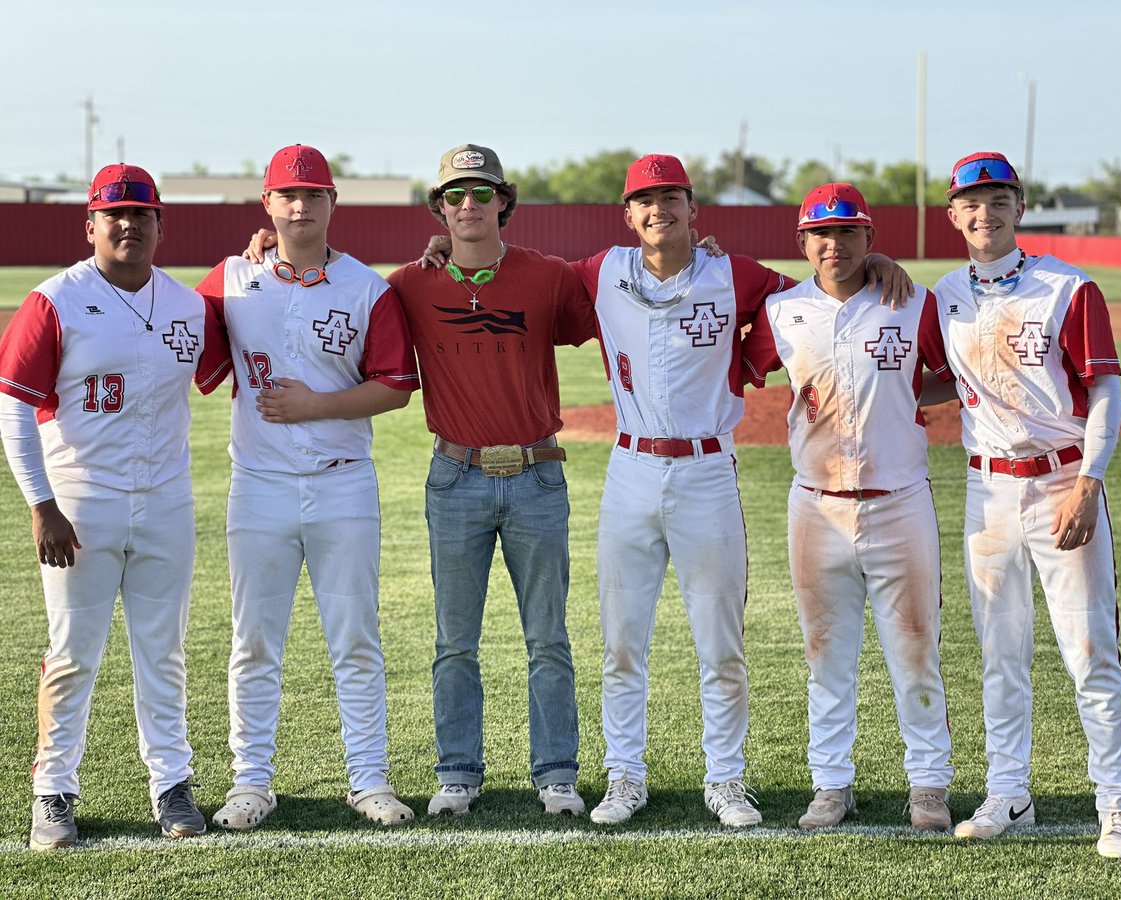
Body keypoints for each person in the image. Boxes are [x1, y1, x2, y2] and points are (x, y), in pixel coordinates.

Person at [569, 156, 913, 828]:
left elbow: (820, 291)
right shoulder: (601, 270)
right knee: (621, 642)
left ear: (694, 209)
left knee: (719, 642)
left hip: (706, 469)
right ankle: (624, 776)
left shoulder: (735, 274)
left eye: (669, 197)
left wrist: (876, 266)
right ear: (628, 213)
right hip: (630, 467)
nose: (656, 209)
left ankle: (725, 779)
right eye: (643, 199)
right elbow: (518, 272)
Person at [0, 164, 230, 848]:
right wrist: (42, 505)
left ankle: (172, 785)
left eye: (141, 213)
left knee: (164, 652)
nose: (128, 223)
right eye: (114, 213)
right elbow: (12, 411)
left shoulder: (189, 305)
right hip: (81, 499)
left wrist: (256, 256)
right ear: (91, 224)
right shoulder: (54, 301)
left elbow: (232, 357)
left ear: (160, 224)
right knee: (73, 653)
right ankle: (53, 793)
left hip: (165, 500)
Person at [922, 152, 1121, 857]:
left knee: (1090, 655)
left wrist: (1090, 481)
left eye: (996, 200)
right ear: (952, 215)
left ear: (1018, 207)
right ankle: (1009, 794)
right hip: (988, 491)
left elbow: (1103, 389)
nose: (982, 213)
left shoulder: (1067, 288)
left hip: (1060, 481)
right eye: (969, 203)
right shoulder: (945, 294)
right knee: (1000, 654)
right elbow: (933, 378)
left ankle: (1118, 805)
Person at [198, 144, 420, 830]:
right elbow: (188, 356)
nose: (299, 207)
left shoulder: (368, 288)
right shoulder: (230, 279)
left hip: (342, 483)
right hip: (258, 484)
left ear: (333, 203)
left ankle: (369, 779)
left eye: (313, 195)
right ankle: (251, 784)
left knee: (355, 639)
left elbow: (395, 388)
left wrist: (316, 406)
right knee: (254, 642)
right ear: (266, 204)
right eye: (286, 196)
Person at [387, 144, 594, 817]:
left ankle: (556, 774)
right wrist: (263, 249)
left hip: (536, 474)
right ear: (438, 207)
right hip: (456, 476)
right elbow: (325, 282)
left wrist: (697, 250)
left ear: (504, 200)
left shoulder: (549, 276)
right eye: (455, 196)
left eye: (481, 193)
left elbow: (622, 297)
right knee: (455, 641)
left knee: (548, 638)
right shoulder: (407, 284)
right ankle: (457, 774)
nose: (468, 206)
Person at [740, 183, 954, 831]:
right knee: (825, 653)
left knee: (916, 649)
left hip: (900, 501)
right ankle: (832, 785)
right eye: (820, 234)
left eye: (848, 232)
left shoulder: (913, 301)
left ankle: (928, 787)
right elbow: (747, 367)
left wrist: (903, 402)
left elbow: (950, 376)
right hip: (817, 504)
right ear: (802, 243)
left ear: (871, 239)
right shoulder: (783, 309)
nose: (834, 245)